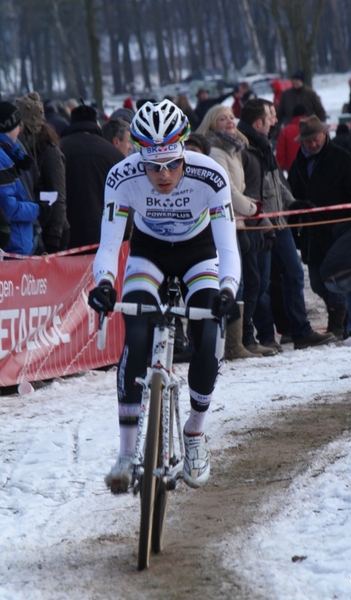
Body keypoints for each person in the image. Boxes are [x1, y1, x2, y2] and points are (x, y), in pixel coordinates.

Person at [88, 100, 241, 493]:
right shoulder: (121, 177)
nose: (163, 174)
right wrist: (104, 283)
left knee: (209, 335)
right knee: (136, 334)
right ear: (138, 154)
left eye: (172, 163)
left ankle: (194, 431)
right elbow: (108, 246)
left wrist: (228, 289)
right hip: (149, 252)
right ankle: (125, 454)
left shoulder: (211, 175)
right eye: (152, 165)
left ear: (185, 148)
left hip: (199, 252)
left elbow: (227, 249)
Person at [237, 99, 335, 350]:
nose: (275, 120)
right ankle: (266, 336)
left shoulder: (264, 146)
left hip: (280, 223)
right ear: (259, 122)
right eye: (271, 116)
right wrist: (263, 221)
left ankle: (299, 331)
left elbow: (277, 182)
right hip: (261, 226)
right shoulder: (246, 150)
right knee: (261, 284)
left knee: (293, 274)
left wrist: (293, 204)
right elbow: (248, 191)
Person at [288, 115, 351, 338]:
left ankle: (336, 324)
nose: (313, 144)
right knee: (316, 282)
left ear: (325, 135)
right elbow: (293, 198)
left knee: (334, 278)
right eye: (308, 141)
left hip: (340, 233)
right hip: (312, 235)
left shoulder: (343, 159)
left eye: (316, 139)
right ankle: (341, 319)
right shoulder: (297, 166)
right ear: (302, 142)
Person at [197, 104, 269, 358]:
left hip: (237, 221)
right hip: (229, 220)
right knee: (234, 282)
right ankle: (233, 343)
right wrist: (250, 208)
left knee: (250, 279)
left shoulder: (233, 148)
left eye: (231, 117)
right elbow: (226, 190)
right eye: (222, 118)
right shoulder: (217, 150)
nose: (229, 122)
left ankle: (243, 338)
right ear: (212, 123)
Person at [60, 104, 125, 250]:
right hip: (106, 235)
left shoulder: (58, 149)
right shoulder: (113, 154)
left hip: (67, 236)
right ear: (95, 123)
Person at [15, 92, 70, 253]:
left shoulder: (49, 152)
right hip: (34, 229)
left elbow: (58, 197)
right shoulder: (20, 150)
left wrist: (53, 240)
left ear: (24, 125)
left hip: (52, 232)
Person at [0, 101, 50, 255]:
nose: (20, 131)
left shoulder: (10, 153)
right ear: (8, 128)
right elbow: (9, 208)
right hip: (13, 246)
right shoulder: (2, 160)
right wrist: (38, 209)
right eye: (17, 126)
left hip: (18, 241)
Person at [275, 103, 307, 172]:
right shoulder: (313, 128)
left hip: (293, 171)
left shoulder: (285, 131)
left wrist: (279, 171)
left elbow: (280, 155)